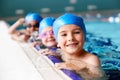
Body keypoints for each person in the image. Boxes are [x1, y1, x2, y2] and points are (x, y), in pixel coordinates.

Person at [53, 13, 107, 80]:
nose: (70, 38)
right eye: (64, 34)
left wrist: (81, 68)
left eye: (76, 32)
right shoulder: (61, 52)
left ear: (84, 37)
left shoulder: (91, 60)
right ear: (57, 42)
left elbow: (98, 77)